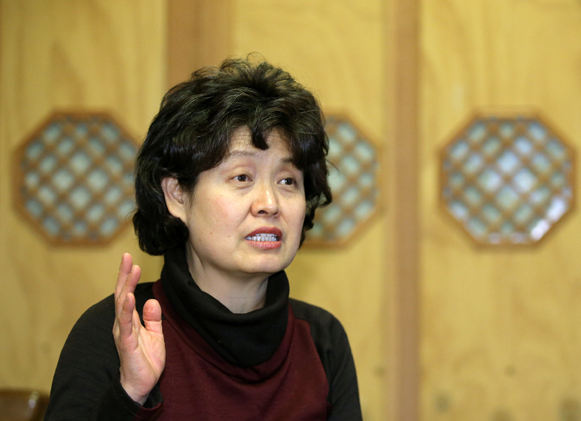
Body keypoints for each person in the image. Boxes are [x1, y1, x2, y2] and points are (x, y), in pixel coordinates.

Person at [44, 57, 362, 420]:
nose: (270, 203)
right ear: (178, 195)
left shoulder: (322, 341)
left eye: (288, 180)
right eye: (242, 177)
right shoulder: (115, 333)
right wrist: (130, 395)